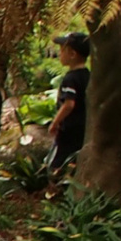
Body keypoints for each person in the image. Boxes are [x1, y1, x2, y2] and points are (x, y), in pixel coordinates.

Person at [47, 32, 90, 175]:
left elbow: (69, 104)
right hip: (84, 126)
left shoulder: (70, 79)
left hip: (69, 128)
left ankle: (55, 188)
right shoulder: (88, 75)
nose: (59, 54)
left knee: (58, 162)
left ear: (72, 54)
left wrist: (55, 122)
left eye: (62, 51)